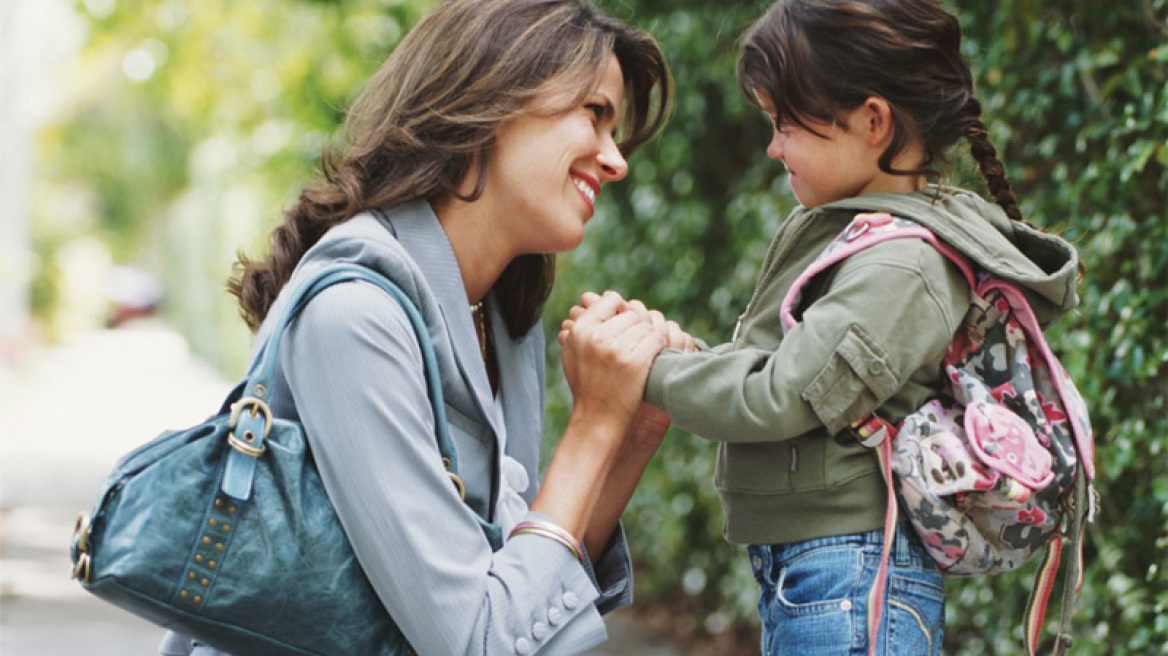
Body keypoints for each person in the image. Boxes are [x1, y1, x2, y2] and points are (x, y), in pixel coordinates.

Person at [563, 0, 1084, 654]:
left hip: (853, 575)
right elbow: (795, 375)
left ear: (873, 121)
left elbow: (779, 398)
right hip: (833, 569)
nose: (775, 146)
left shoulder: (903, 264)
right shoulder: (865, 238)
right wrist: (687, 356)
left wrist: (641, 367)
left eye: (787, 124)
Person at [159, 1, 679, 654]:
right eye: (594, 115)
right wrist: (593, 425)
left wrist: (629, 435)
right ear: (493, 98)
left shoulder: (501, 320)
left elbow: (526, 596)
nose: (615, 159)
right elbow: (477, 642)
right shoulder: (354, 320)